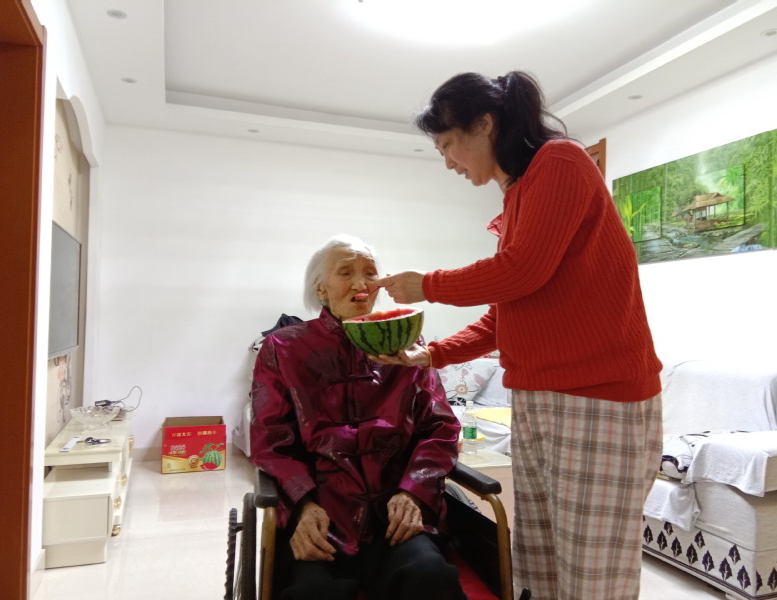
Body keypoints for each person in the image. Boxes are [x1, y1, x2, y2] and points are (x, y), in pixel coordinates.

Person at [374, 72, 663, 600]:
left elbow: (520, 270)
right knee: (542, 558)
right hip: (537, 398)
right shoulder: (516, 199)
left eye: (448, 145)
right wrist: (431, 355)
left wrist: (427, 285)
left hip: (597, 396)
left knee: (592, 569)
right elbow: (506, 314)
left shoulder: (561, 162)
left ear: (484, 124)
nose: (449, 163)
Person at [249, 234, 466, 600]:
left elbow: (440, 427)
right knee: (312, 593)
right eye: (345, 272)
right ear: (321, 288)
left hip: (396, 515)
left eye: (370, 273)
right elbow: (271, 442)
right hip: (322, 515)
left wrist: (413, 492)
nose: (361, 283)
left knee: (429, 577)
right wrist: (303, 506)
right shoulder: (282, 348)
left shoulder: (407, 348)